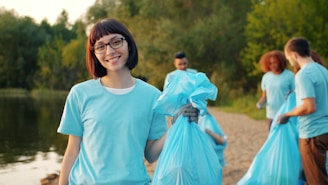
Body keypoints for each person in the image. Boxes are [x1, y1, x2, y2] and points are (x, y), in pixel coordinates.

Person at [57, 18, 198, 185]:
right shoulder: (80, 93)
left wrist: (176, 126)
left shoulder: (152, 96)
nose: (109, 51)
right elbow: (73, 150)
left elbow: (151, 155)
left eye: (116, 42)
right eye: (101, 46)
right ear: (94, 53)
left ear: (128, 44)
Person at [277, 37, 328, 185]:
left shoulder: (303, 74)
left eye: (288, 58)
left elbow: (309, 106)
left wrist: (287, 114)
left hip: (313, 133)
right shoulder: (323, 71)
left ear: (294, 54)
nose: (290, 62)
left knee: (316, 179)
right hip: (325, 130)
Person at [256, 50, 295, 130]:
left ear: (280, 62)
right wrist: (260, 103)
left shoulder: (290, 76)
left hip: (285, 113)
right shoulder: (266, 77)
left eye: (274, 62)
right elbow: (264, 96)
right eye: (270, 63)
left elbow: (295, 95)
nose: (272, 65)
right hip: (271, 114)